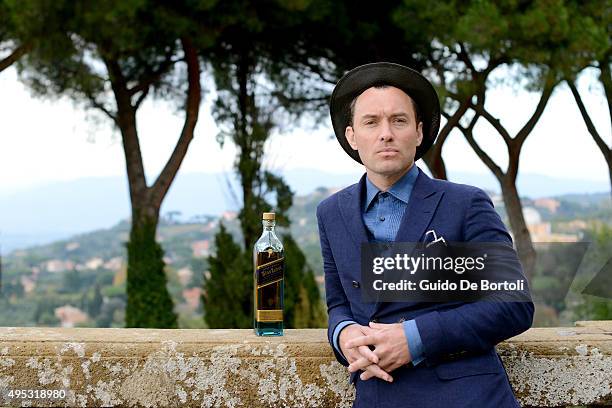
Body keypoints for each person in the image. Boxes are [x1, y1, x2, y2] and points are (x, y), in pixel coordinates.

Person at [316, 62, 534, 408]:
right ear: (352, 136)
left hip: (467, 397)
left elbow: (512, 306)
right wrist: (343, 334)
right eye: (371, 122)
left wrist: (414, 338)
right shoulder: (330, 213)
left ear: (418, 133)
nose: (385, 133)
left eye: (398, 121)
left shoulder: (466, 203)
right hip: (377, 396)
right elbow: (339, 303)